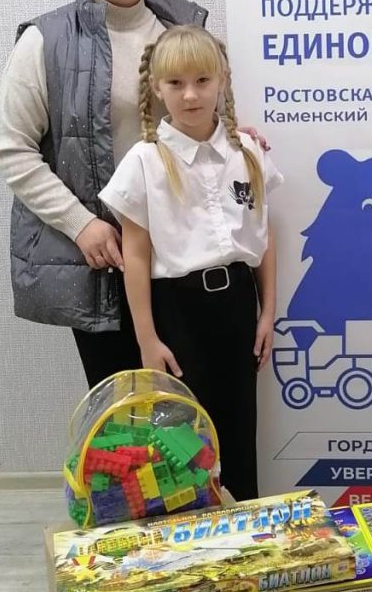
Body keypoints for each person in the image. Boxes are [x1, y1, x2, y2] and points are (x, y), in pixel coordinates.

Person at [0, 0, 260, 388]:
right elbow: (12, 150)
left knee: (195, 405)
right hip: (106, 255)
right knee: (127, 409)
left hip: (186, 254)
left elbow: (200, 116)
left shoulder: (183, 26)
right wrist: (81, 226)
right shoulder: (45, 41)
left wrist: (233, 137)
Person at [98, 25, 282, 501]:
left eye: (202, 80)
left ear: (222, 81)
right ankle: (191, 528)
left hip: (238, 304)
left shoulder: (247, 153)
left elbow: (263, 237)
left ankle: (243, 524)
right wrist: (147, 339)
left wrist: (267, 312)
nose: (191, 94)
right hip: (177, 310)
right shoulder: (144, 161)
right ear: (157, 89)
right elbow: (135, 254)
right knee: (182, 440)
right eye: (176, 83)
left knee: (239, 426)